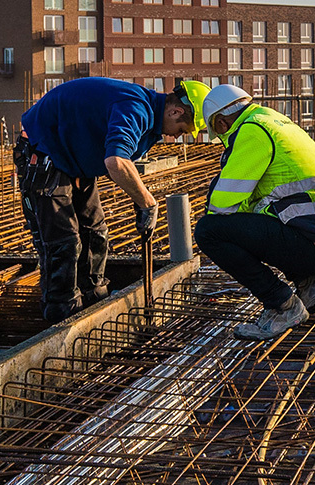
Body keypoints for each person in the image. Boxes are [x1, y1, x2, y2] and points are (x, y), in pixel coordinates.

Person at [15, 77, 210, 322]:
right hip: (45, 153)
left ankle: (94, 299)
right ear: (175, 111)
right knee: (63, 242)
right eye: (182, 129)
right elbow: (116, 162)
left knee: (95, 233)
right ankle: (61, 315)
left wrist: (139, 196)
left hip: (74, 160)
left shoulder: (147, 115)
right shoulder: (136, 108)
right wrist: (147, 201)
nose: (178, 137)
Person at [194, 84, 315, 340]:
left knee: (208, 231)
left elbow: (222, 206)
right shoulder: (274, 120)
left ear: (222, 123)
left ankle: (282, 305)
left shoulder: (252, 132)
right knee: (269, 217)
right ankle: (310, 285)